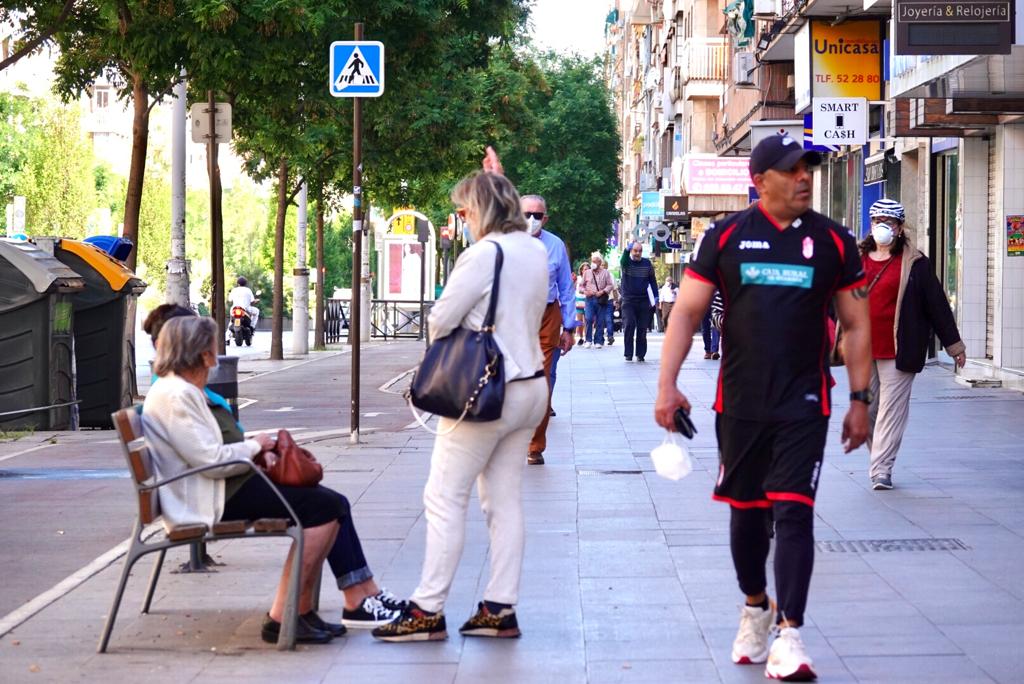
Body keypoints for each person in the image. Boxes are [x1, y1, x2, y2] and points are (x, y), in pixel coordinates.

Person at [654, 133, 872, 681]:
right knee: (748, 517)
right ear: (760, 180)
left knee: (794, 510)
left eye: (808, 168)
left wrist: (861, 399)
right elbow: (685, 314)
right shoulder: (725, 237)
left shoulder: (835, 242)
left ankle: (790, 634)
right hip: (741, 404)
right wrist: (667, 385)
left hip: (806, 402)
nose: (804, 177)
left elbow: (857, 323)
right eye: (792, 169)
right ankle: (755, 605)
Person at [142, 314, 402, 643]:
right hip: (211, 498)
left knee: (331, 502)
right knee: (324, 508)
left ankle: (356, 596)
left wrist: (255, 445)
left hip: (216, 490)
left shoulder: (178, 390)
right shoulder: (177, 395)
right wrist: (255, 446)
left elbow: (207, 450)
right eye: (212, 346)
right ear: (200, 354)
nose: (217, 353)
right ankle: (288, 615)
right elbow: (209, 461)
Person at [373, 169, 549, 643]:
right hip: (531, 385)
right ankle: (499, 607)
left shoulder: (482, 255)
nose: (463, 218)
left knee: (444, 496)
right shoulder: (535, 250)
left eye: (466, 210)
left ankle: (427, 609)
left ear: (482, 211)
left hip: (486, 390)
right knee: (504, 501)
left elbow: (440, 319)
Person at [860, 198, 966, 490]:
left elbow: (937, 306)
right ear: (871, 226)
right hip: (863, 349)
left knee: (891, 411)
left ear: (900, 227)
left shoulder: (915, 262)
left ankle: (881, 469)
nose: (883, 227)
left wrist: (954, 345)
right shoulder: (856, 258)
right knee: (867, 411)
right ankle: (880, 455)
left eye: (889, 222)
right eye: (878, 221)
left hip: (900, 348)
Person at [521, 194, 576, 466]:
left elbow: (566, 287)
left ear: (546, 218)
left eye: (537, 215)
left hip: (546, 316)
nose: (531, 220)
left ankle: (534, 445)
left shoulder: (556, 246)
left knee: (542, 383)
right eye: (526, 214)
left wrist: (569, 326)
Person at [619, 241, 659, 362]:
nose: (637, 253)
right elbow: (623, 260)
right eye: (635, 251)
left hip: (643, 300)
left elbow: (652, 281)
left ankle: (640, 354)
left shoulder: (647, 263)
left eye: (640, 251)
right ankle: (628, 353)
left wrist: (656, 297)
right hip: (628, 300)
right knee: (629, 325)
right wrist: (626, 250)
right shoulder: (626, 263)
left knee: (642, 328)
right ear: (631, 251)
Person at [582, 252, 614, 348]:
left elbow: (610, 285)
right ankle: (588, 340)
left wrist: (603, 291)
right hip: (589, 299)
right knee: (588, 318)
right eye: (592, 261)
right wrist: (585, 291)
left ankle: (598, 341)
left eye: (595, 261)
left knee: (600, 320)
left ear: (600, 262)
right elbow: (581, 286)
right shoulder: (587, 273)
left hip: (601, 299)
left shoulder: (606, 273)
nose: (593, 263)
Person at [602, 257, 618, 345]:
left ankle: (610, 336)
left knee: (608, 319)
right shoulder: (596, 274)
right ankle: (600, 337)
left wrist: (616, 301)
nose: (603, 266)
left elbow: (615, 289)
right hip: (599, 300)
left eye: (604, 265)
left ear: (607, 266)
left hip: (609, 300)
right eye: (601, 265)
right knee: (600, 319)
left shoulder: (611, 276)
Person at [575, 262, 589, 345]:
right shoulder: (578, 278)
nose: (586, 271)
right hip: (579, 300)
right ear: (581, 270)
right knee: (579, 320)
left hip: (588, 300)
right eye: (584, 269)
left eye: (587, 269)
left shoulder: (591, 278)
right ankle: (581, 337)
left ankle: (588, 337)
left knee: (588, 320)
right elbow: (572, 288)